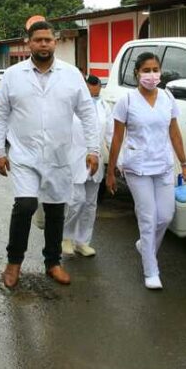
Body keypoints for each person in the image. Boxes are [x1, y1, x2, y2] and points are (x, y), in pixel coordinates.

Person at [0, 20, 100, 288]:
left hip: (59, 155)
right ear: (28, 42)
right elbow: (0, 113)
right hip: (25, 154)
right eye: (37, 39)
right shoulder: (14, 75)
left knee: (55, 209)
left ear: (55, 42)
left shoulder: (71, 74)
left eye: (48, 40)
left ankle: (52, 263)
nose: (43, 44)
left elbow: (87, 113)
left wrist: (93, 149)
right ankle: (13, 263)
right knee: (25, 205)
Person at [106, 52, 186, 290]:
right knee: (147, 218)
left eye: (155, 70)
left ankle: (145, 247)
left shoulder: (167, 97)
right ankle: (151, 270)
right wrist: (110, 171)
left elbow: (174, 132)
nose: (152, 75)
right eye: (146, 70)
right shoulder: (128, 101)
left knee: (165, 216)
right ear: (137, 73)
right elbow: (117, 137)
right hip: (137, 166)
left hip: (163, 165)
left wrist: (184, 163)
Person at [62, 74, 113, 257]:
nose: (93, 90)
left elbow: (110, 134)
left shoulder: (104, 106)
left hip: (96, 160)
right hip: (74, 159)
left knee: (91, 204)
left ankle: (82, 242)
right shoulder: (70, 105)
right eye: (89, 87)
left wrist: (118, 160)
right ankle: (66, 236)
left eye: (96, 86)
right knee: (77, 200)